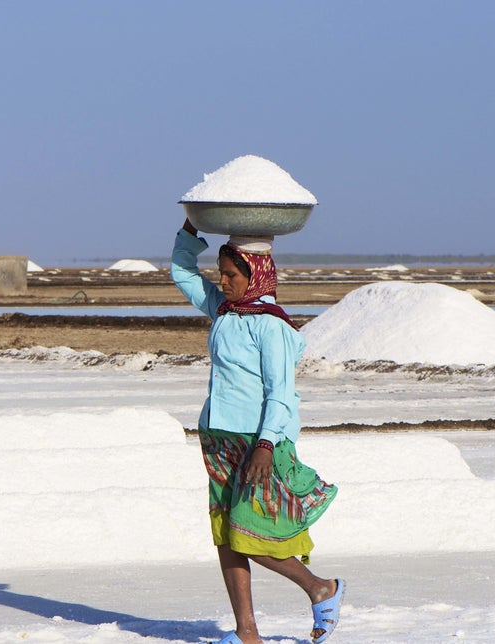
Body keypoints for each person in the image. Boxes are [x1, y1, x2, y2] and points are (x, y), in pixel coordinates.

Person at [171, 218, 345, 644]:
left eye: (231, 274)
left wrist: (266, 445)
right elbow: (181, 272)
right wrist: (192, 227)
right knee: (226, 537)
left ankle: (320, 588)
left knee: (251, 534)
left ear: (255, 274)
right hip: (219, 438)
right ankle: (246, 632)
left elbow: (280, 394)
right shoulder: (225, 312)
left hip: (258, 442)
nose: (222, 281)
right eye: (220, 273)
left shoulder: (272, 327)